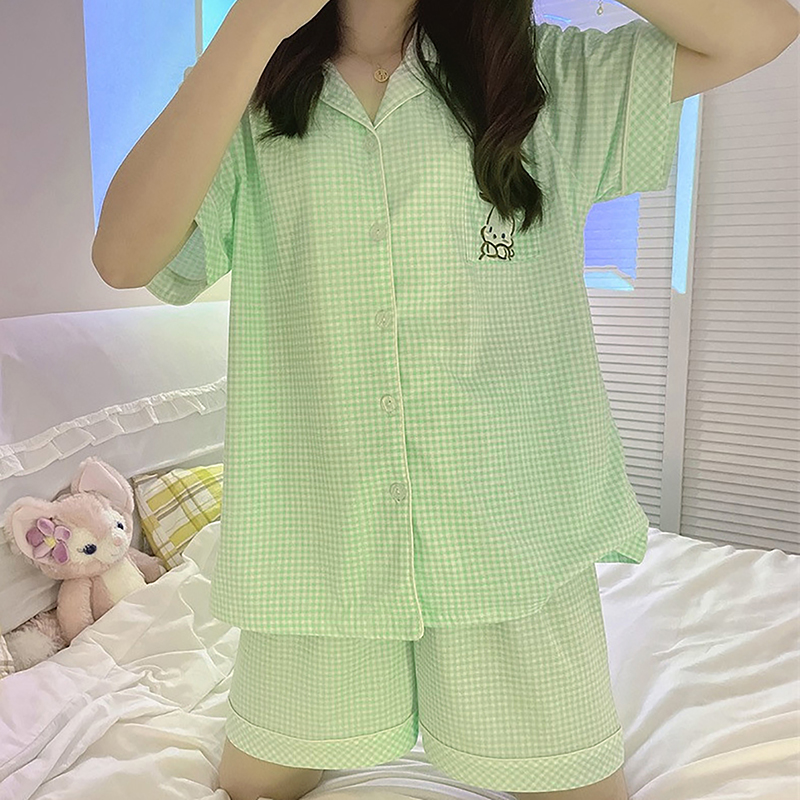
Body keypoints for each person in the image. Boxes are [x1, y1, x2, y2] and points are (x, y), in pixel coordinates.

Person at [92, 1, 684, 798]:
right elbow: (123, 258)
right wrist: (255, 22)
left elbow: (761, 34)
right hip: (320, 543)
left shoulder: (543, 74)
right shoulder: (252, 90)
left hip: (511, 540)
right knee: (252, 786)